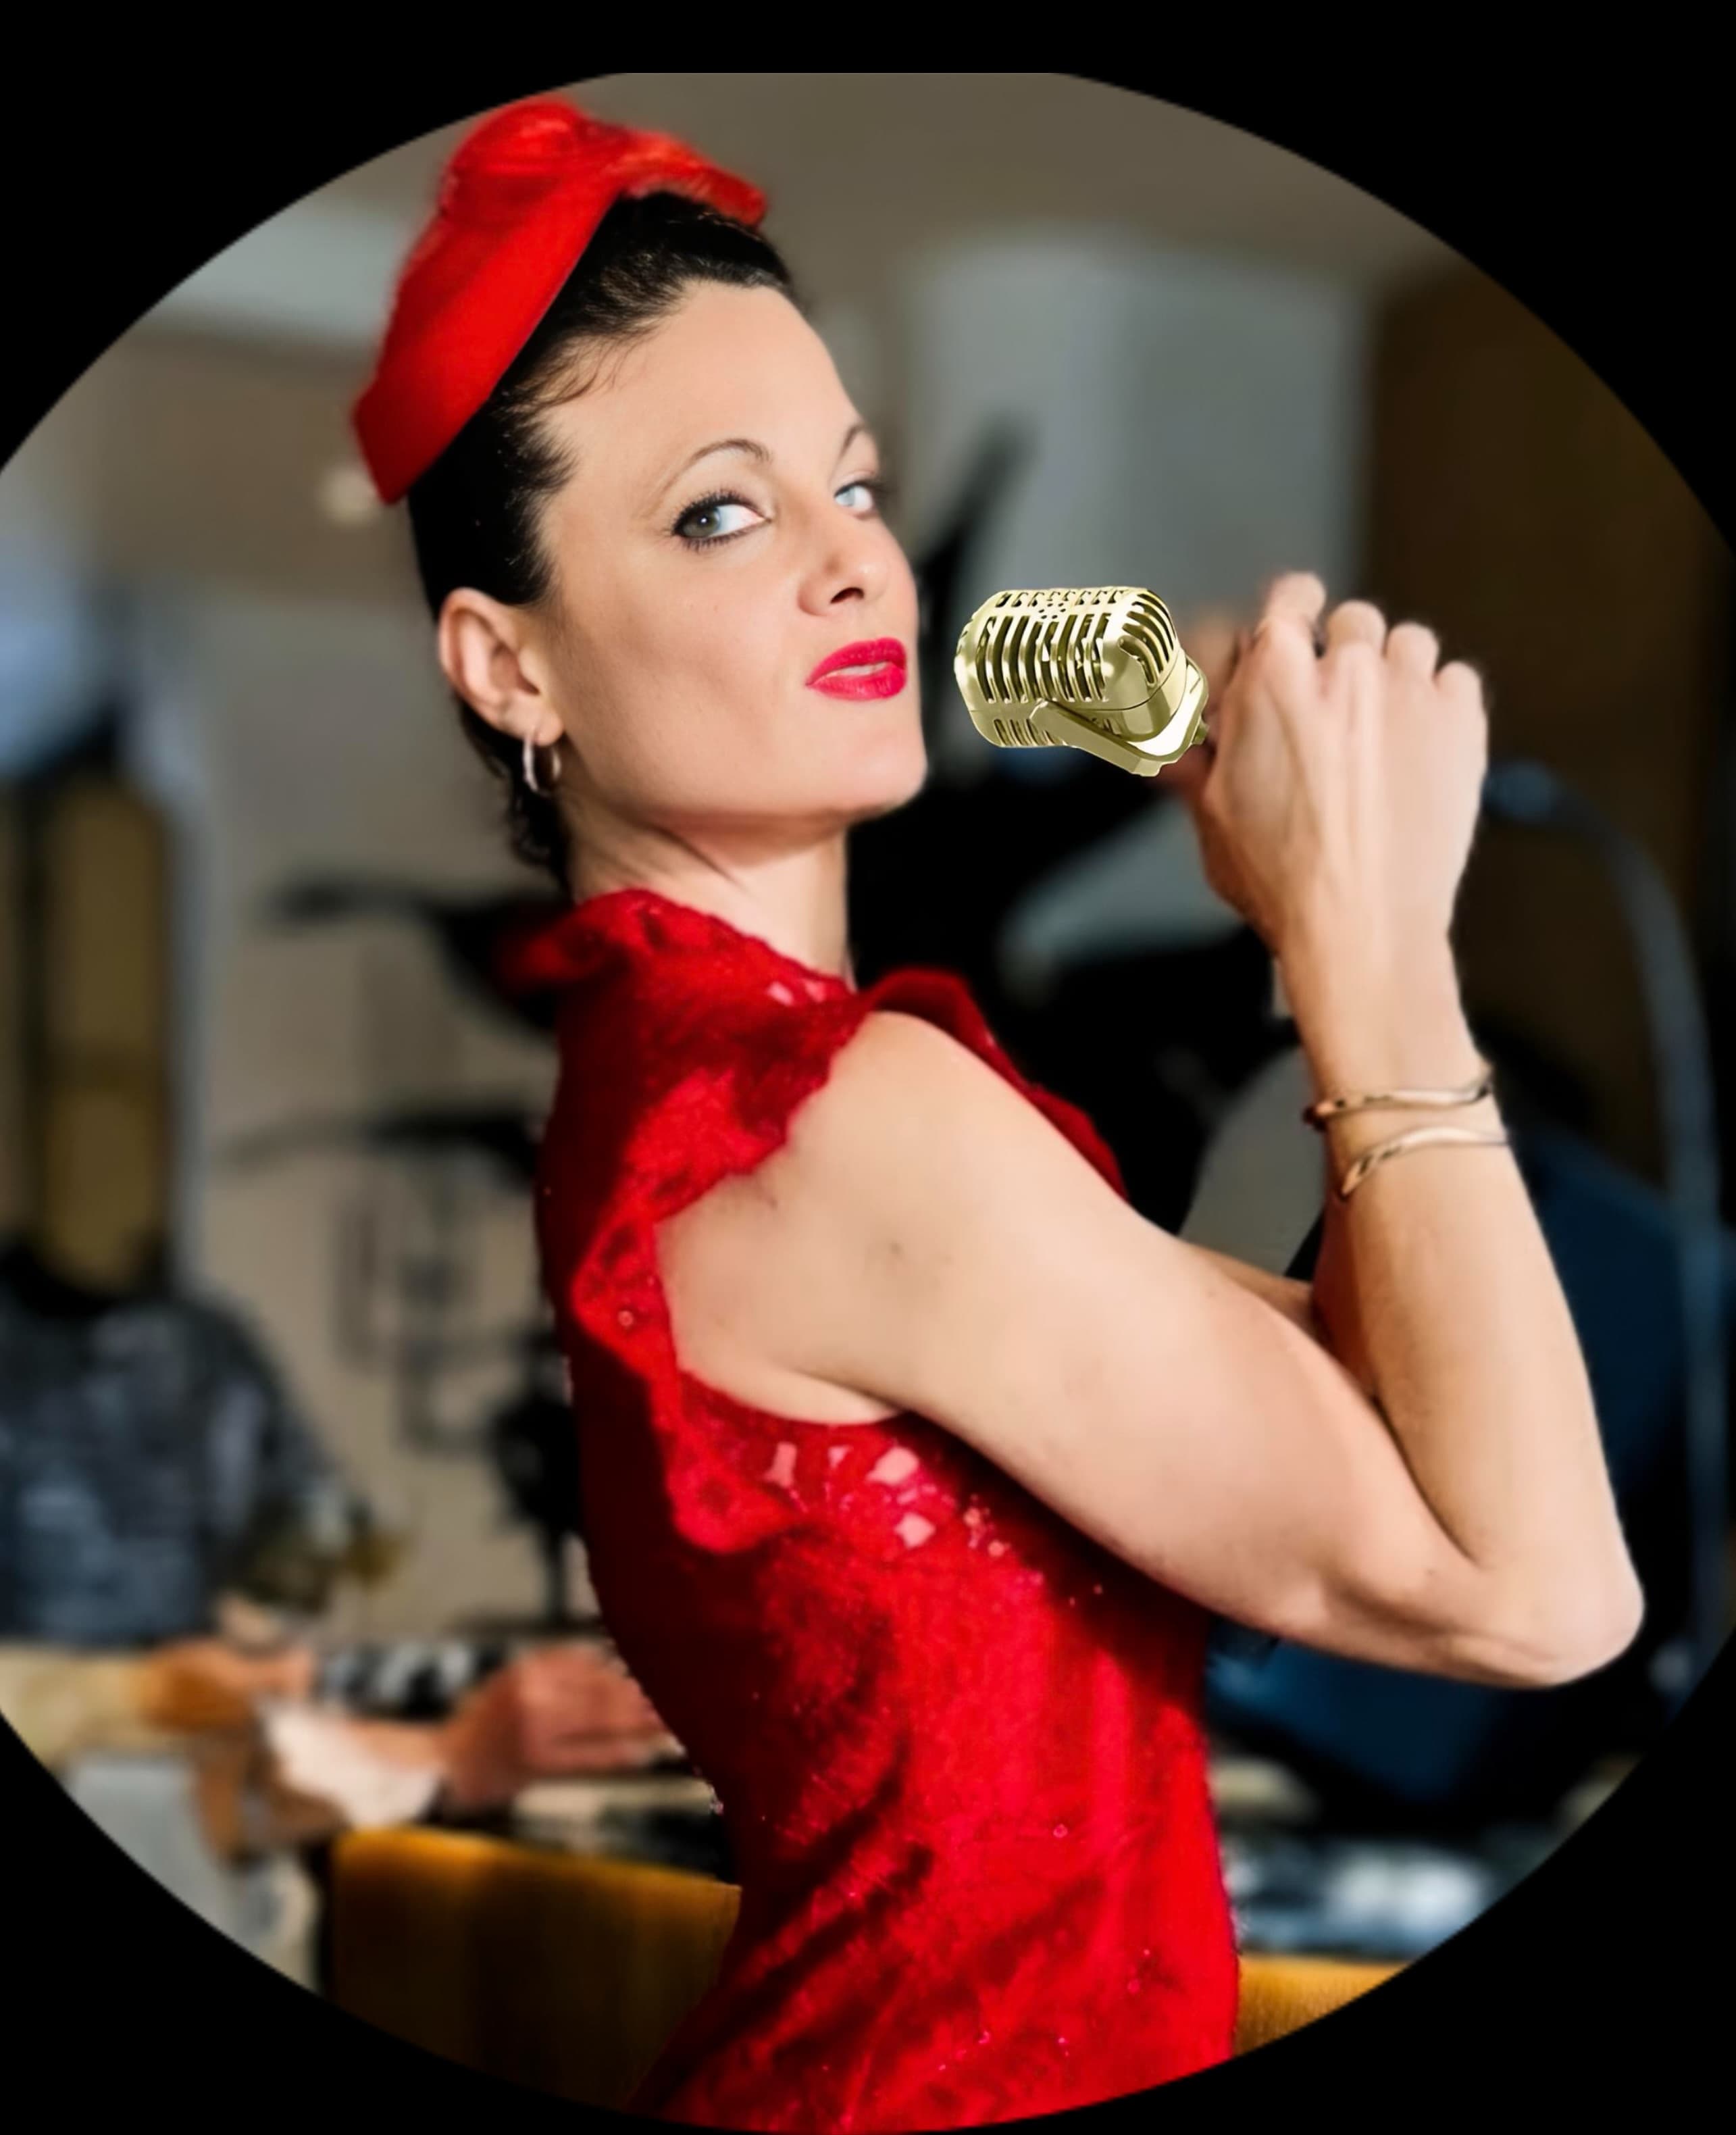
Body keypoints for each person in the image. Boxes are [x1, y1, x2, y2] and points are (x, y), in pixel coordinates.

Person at [349, 95, 1643, 2132]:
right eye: (720, 511)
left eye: (851, 481)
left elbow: (1403, 1451)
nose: (854, 554)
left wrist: (1339, 924)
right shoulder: (828, 1120)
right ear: (511, 665)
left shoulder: (694, 1098)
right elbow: (1539, 1593)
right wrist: (1365, 938)